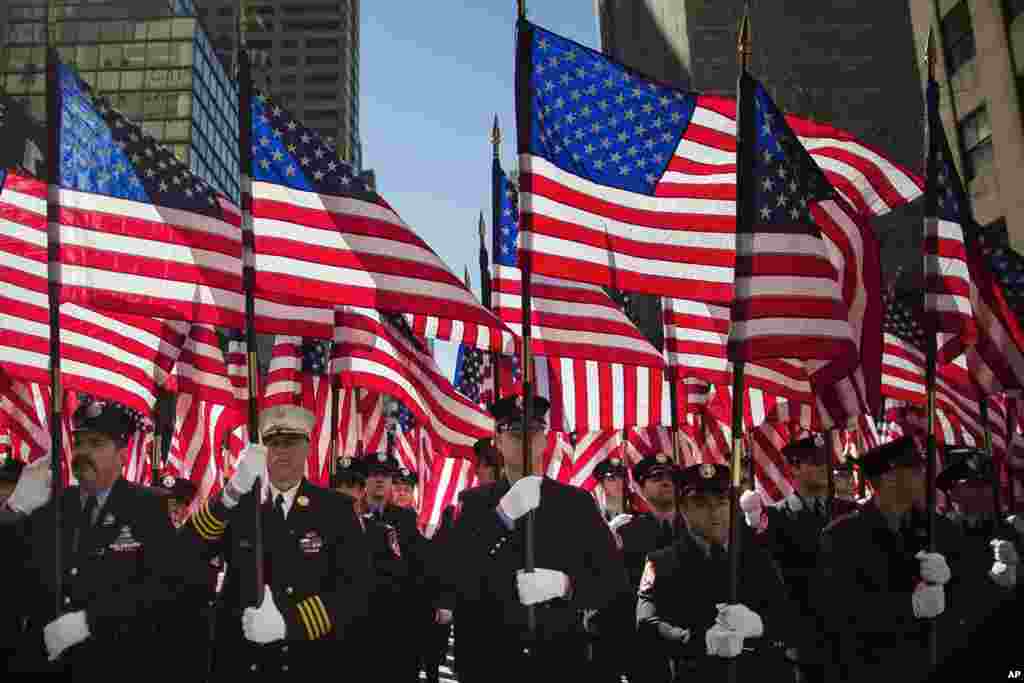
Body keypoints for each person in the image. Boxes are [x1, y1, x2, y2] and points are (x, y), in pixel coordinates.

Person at [444, 393, 629, 681]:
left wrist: (567, 585)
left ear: (545, 439)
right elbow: (451, 577)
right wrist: (500, 518)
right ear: (497, 440)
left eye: (534, 430)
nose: (526, 439)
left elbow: (613, 582)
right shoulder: (474, 503)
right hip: (490, 661)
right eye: (515, 432)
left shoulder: (575, 502)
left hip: (558, 659)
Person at [182, 405, 371, 678]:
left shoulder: (336, 509)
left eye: (291, 443)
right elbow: (186, 549)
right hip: (242, 664)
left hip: (308, 661)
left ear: (307, 448)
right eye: (273, 443)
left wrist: (288, 623)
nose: (281, 451)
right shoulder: (237, 503)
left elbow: (355, 590)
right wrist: (232, 490)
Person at [0, 399, 187, 675]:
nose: (83, 452)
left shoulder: (148, 506)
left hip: (114, 665)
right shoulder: (53, 506)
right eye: (79, 443)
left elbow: (165, 588)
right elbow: (11, 573)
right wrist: (14, 510)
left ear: (122, 455)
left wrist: (90, 621)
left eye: (97, 443)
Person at [812, 436, 1011, 682]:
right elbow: (836, 612)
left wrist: (998, 578)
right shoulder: (841, 536)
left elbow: (970, 592)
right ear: (887, 476)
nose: (923, 472)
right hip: (873, 669)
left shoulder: (940, 528)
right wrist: (909, 607)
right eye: (914, 467)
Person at [637, 463, 793, 681]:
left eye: (721, 502)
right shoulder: (661, 562)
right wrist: (699, 640)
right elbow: (647, 624)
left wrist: (759, 625)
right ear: (683, 508)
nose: (714, 512)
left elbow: (788, 617)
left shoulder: (757, 555)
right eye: (701, 504)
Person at [739, 436, 840, 682]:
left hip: (850, 634)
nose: (822, 468)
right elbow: (769, 579)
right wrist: (752, 528)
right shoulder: (774, 517)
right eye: (814, 463)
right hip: (804, 637)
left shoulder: (849, 510)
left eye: (826, 463)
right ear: (794, 468)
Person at [593, 453, 683, 683]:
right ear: (641, 488)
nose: (666, 482)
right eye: (656, 477)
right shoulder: (628, 531)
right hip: (644, 642)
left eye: (670, 477)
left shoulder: (697, 526)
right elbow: (614, 592)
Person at [361, 451, 428, 681]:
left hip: (397, 624)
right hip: (360, 624)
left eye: (386, 475)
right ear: (364, 479)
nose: (380, 480)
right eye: (374, 474)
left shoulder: (405, 519)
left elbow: (419, 569)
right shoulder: (347, 515)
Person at [594, 456, 629, 522]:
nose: (619, 482)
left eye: (621, 477)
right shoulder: (598, 517)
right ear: (602, 484)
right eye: (612, 479)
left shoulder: (637, 510)